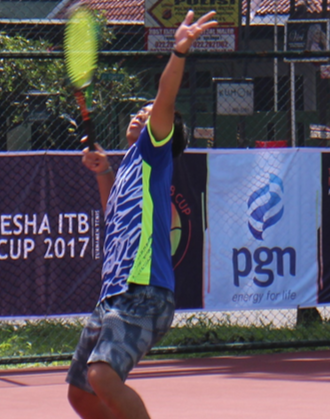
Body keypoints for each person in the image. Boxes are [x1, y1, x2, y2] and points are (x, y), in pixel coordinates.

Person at [67, 10, 217, 419]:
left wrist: (179, 51)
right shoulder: (131, 168)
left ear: (163, 131)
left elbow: (167, 95)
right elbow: (112, 215)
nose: (142, 113)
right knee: (81, 393)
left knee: (101, 375)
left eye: (150, 113)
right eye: (141, 110)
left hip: (144, 291)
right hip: (113, 294)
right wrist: (105, 173)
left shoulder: (154, 152)